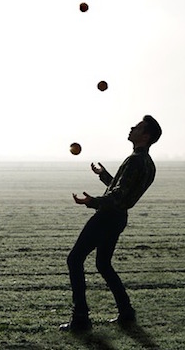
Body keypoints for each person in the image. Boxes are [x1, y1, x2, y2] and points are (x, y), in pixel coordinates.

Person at [60, 115, 162, 333]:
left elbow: (118, 195)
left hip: (107, 216)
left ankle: (80, 318)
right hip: (118, 218)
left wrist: (92, 202)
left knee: (75, 259)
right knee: (103, 265)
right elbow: (123, 190)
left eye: (138, 127)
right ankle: (126, 312)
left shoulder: (135, 160)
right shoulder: (147, 163)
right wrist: (104, 175)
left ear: (146, 135)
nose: (132, 127)